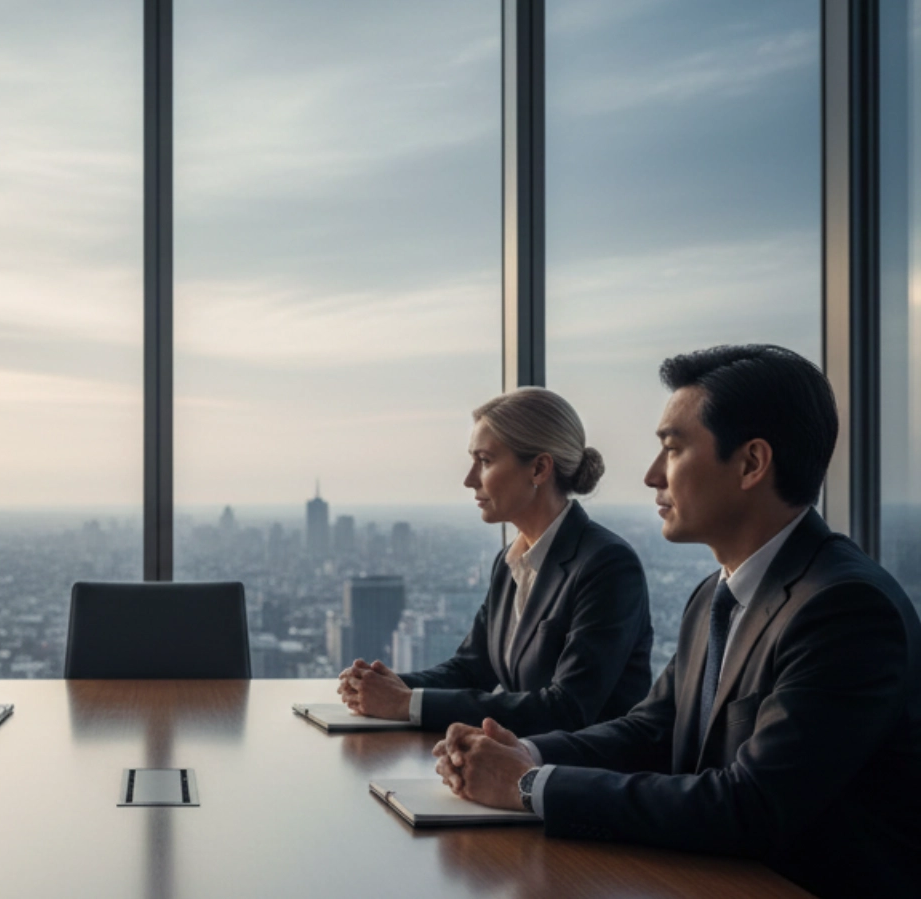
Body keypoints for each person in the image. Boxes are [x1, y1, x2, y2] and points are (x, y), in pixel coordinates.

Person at [433, 345, 921, 898]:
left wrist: (527, 786)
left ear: (751, 464)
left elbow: (750, 807)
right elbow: (653, 730)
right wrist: (528, 753)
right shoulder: (717, 594)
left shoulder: (845, 608)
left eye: (672, 448)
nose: (649, 476)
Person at [338, 387, 653, 736]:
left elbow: (566, 709)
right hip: (518, 767)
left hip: (584, 781)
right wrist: (386, 684)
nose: (469, 479)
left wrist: (405, 703)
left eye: (485, 461)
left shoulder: (607, 565)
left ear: (539, 468)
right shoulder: (510, 562)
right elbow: (471, 669)